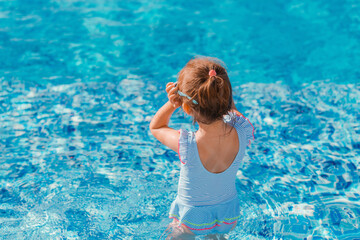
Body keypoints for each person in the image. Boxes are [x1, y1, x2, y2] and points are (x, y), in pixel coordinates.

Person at [150, 57, 254, 239]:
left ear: (187, 109)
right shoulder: (243, 130)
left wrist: (172, 103)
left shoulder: (187, 145)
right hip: (227, 215)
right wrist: (220, 94)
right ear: (227, 96)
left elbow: (156, 127)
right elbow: (232, 110)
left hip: (192, 220)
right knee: (214, 236)